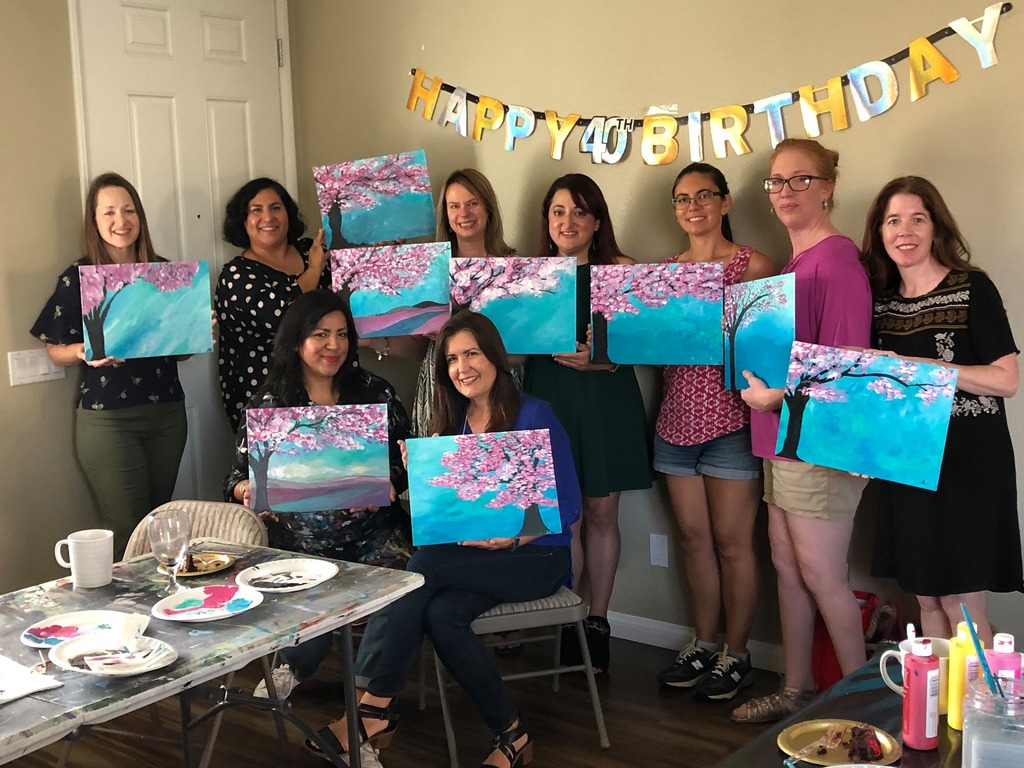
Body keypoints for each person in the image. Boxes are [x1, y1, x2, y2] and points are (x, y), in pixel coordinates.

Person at [306, 311, 581, 768]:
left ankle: (375, 707)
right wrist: (421, 476)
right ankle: (513, 735)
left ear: (494, 357)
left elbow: (569, 504)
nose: (462, 367)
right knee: (442, 614)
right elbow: (446, 519)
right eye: (452, 359)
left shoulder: (534, 413)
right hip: (473, 559)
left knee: (422, 567)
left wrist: (513, 539)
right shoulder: (452, 424)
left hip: (537, 557)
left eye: (472, 354)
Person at [224, 290, 412, 765]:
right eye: (320, 334)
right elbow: (236, 478)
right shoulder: (271, 403)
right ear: (296, 341)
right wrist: (250, 491)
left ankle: (365, 710)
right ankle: (295, 663)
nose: (334, 345)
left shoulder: (375, 392)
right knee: (309, 588)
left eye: (342, 334)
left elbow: (406, 460)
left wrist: (392, 481)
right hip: (298, 544)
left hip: (374, 535)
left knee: (403, 586)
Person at [733, 139, 872, 723]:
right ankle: (798, 694)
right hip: (779, 442)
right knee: (788, 570)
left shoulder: (836, 262)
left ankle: (860, 711)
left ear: (828, 187)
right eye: (776, 181)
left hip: (817, 445)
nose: (785, 191)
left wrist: (775, 398)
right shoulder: (793, 264)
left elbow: (847, 371)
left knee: (822, 577)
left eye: (800, 179)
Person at [862, 176, 1021, 646]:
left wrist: (925, 368)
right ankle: (934, 694)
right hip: (908, 463)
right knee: (926, 599)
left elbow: (1007, 380)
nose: (905, 231)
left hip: (968, 462)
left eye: (918, 219)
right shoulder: (881, 303)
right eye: (893, 221)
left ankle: (980, 695)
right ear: (880, 231)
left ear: (936, 227)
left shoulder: (972, 287)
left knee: (961, 603)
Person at [654, 163, 776, 700]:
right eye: (683, 199)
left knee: (732, 543)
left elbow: (768, 348)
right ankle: (703, 643)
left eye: (704, 195)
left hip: (731, 423)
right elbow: (650, 345)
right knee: (693, 540)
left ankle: (737, 653)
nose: (693, 206)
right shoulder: (664, 272)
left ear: (725, 203)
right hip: (674, 421)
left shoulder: (754, 266)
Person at [524, 173, 652, 675]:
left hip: (605, 403)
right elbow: (511, 350)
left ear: (597, 221)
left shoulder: (622, 271)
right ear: (547, 220)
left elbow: (652, 344)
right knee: (564, 519)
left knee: (601, 514)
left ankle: (597, 623)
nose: (568, 221)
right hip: (548, 402)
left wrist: (605, 359)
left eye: (580, 211)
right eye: (559, 212)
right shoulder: (530, 278)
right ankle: (567, 620)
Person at [30, 172, 188, 556]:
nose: (121, 221)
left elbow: (180, 353)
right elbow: (54, 348)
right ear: (95, 221)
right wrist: (80, 352)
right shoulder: (79, 277)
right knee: (128, 530)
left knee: (158, 524)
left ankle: (163, 592)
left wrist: (196, 332)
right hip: (108, 420)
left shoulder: (165, 274)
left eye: (129, 210)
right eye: (109, 212)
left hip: (167, 414)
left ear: (140, 217)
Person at [360, 168, 518, 437]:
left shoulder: (513, 267)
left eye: (472, 203)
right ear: (445, 214)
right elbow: (419, 349)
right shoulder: (429, 269)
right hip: (440, 387)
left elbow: (523, 352)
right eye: (454, 206)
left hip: (497, 390)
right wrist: (374, 339)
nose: (464, 213)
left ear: (488, 209)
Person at [216, 177, 329, 431]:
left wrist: (384, 249)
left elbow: (350, 291)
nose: (268, 217)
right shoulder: (236, 275)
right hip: (264, 396)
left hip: (326, 388)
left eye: (276, 207)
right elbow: (284, 317)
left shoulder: (309, 250)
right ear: (243, 220)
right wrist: (314, 270)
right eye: (256, 210)